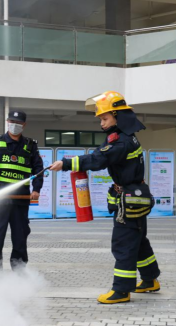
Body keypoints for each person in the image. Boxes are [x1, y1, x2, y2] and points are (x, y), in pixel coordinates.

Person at [50, 91, 161, 304]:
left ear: (117, 116)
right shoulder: (124, 137)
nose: (101, 123)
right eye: (100, 119)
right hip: (134, 196)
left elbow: (98, 159)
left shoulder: (121, 141)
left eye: (105, 118)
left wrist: (66, 163)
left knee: (123, 244)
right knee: (138, 241)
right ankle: (150, 280)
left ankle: (121, 291)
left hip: (128, 201)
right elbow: (100, 155)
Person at [0, 111, 44, 273]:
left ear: (24, 125)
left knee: (20, 237)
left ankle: (19, 271)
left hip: (20, 200)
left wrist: (36, 189)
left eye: (18, 122)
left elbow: (38, 169)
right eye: (12, 121)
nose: (14, 125)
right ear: (7, 122)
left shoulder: (30, 145)